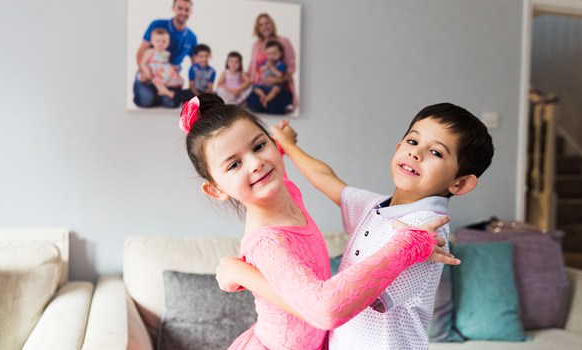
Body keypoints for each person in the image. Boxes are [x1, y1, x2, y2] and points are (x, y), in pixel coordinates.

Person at [181, 94, 459, 350]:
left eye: (259, 145)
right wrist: (407, 246)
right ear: (216, 189)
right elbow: (324, 310)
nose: (255, 164)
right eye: (234, 165)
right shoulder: (268, 243)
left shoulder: (282, 189)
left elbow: (320, 175)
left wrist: (287, 145)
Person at [133, 0, 197, 108]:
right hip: (150, 74)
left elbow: (195, 65)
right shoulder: (157, 25)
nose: (183, 12)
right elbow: (141, 51)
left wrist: (194, 84)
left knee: (171, 103)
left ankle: (163, 95)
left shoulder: (191, 37)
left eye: (187, 9)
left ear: (191, 12)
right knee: (146, 101)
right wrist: (143, 70)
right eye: (180, 8)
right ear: (173, 8)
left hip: (168, 78)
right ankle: (152, 93)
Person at [246, 13, 297, 114]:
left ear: (272, 24)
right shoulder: (256, 45)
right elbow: (251, 70)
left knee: (273, 108)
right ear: (258, 28)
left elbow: (291, 69)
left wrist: (275, 79)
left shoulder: (284, 41)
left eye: (267, 23)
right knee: (253, 104)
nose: (264, 27)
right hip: (261, 86)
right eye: (261, 25)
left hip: (279, 86)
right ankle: (264, 99)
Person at [138, 28, 185, 100]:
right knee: (157, 81)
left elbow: (165, 64)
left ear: (168, 43)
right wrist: (146, 71)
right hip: (154, 72)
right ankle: (166, 92)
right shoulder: (150, 51)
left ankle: (170, 90)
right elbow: (143, 63)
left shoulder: (166, 53)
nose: (160, 44)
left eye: (164, 42)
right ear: (152, 41)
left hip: (164, 72)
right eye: (157, 41)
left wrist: (173, 68)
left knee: (179, 81)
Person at [252, 40, 287, 109]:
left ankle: (266, 99)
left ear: (280, 54)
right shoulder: (265, 62)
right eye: (269, 54)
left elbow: (280, 75)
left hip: (275, 85)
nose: (271, 56)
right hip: (264, 84)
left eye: (274, 54)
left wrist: (271, 67)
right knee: (255, 87)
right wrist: (266, 66)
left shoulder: (280, 64)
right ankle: (262, 95)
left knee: (275, 91)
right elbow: (261, 70)